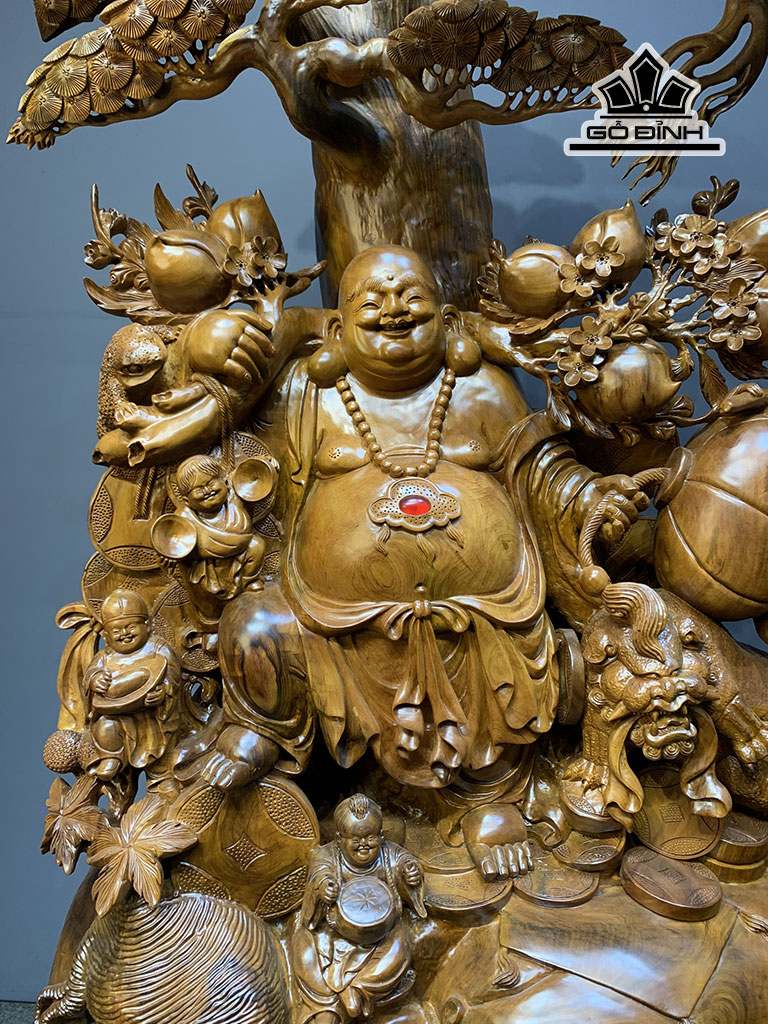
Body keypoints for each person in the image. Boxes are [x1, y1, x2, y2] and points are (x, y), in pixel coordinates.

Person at [202, 246, 644, 878]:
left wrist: (588, 499)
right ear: (337, 327)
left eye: (413, 299)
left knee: (504, 665)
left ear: (449, 319)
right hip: (332, 615)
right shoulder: (308, 395)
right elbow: (244, 460)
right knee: (254, 630)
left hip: (482, 608)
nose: (393, 311)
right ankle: (265, 729)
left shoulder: (482, 389)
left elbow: (542, 470)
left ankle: (489, 798)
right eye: (372, 303)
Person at [293, 794, 425, 1022]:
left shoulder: (389, 853)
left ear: (381, 836)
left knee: (399, 950)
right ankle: (325, 1004)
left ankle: (359, 989)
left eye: (370, 837)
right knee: (306, 951)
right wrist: (323, 888)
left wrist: (410, 873)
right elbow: (320, 875)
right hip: (334, 934)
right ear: (339, 839)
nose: (364, 843)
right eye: (355, 839)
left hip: (382, 934)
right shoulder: (327, 855)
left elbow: (405, 861)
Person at [84, 590, 180, 786]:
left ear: (147, 625)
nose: (124, 633)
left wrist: (163, 692)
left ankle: (161, 780)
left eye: (131, 627)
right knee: (104, 727)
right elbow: (91, 673)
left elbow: (173, 675)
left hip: (151, 716)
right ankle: (111, 756)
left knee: (162, 751)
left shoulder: (157, 649)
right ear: (106, 636)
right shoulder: (105, 656)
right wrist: (95, 679)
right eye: (116, 631)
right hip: (116, 715)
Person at [173, 454, 266, 599]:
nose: (207, 491)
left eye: (211, 483)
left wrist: (265, 463)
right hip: (209, 566)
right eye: (198, 489)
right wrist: (169, 554)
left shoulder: (234, 495)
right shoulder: (184, 517)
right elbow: (171, 539)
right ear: (186, 500)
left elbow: (250, 474)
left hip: (241, 555)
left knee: (256, 546)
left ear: (224, 481)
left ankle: (249, 581)